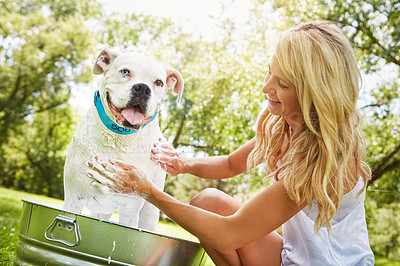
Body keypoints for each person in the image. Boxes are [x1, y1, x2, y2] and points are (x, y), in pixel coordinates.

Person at [87, 20, 375, 265]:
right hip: (292, 256)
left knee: (221, 229)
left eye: (282, 84)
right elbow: (230, 164)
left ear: (315, 92)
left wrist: (148, 191)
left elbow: (229, 234)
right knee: (208, 201)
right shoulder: (283, 123)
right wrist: (183, 164)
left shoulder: (328, 157)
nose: (266, 87)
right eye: (269, 72)